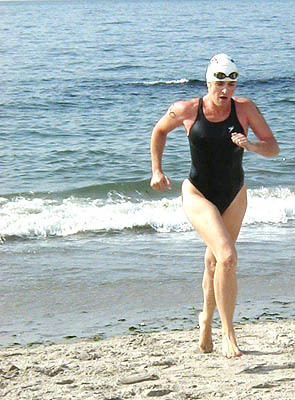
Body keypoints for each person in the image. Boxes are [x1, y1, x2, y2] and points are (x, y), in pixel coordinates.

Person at [150, 54, 279, 358]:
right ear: (208, 81)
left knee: (215, 263)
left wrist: (252, 146)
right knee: (228, 257)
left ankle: (205, 321)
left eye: (231, 83)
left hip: (234, 194)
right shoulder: (186, 109)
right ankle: (229, 334)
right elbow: (159, 132)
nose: (225, 90)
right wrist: (157, 170)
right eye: (220, 82)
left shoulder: (245, 109)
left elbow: (273, 147)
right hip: (198, 194)